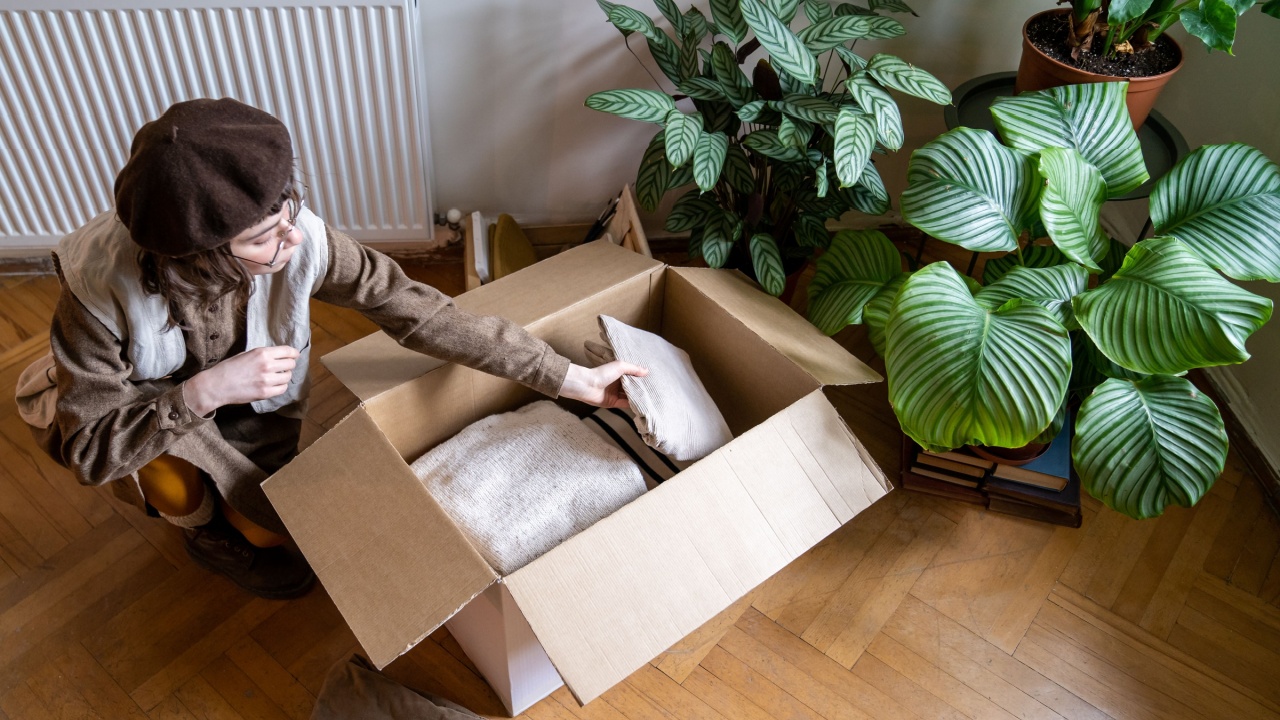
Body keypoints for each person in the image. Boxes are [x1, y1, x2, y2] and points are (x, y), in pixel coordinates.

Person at [15, 98, 645, 599]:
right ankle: (201, 533)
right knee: (194, 495)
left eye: (288, 205)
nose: (292, 234)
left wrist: (569, 379)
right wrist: (207, 391)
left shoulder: (297, 234)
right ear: (199, 254)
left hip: (255, 406)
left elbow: (420, 312)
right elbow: (93, 452)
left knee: (281, 528)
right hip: (151, 418)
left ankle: (235, 509)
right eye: (264, 236)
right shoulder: (96, 295)